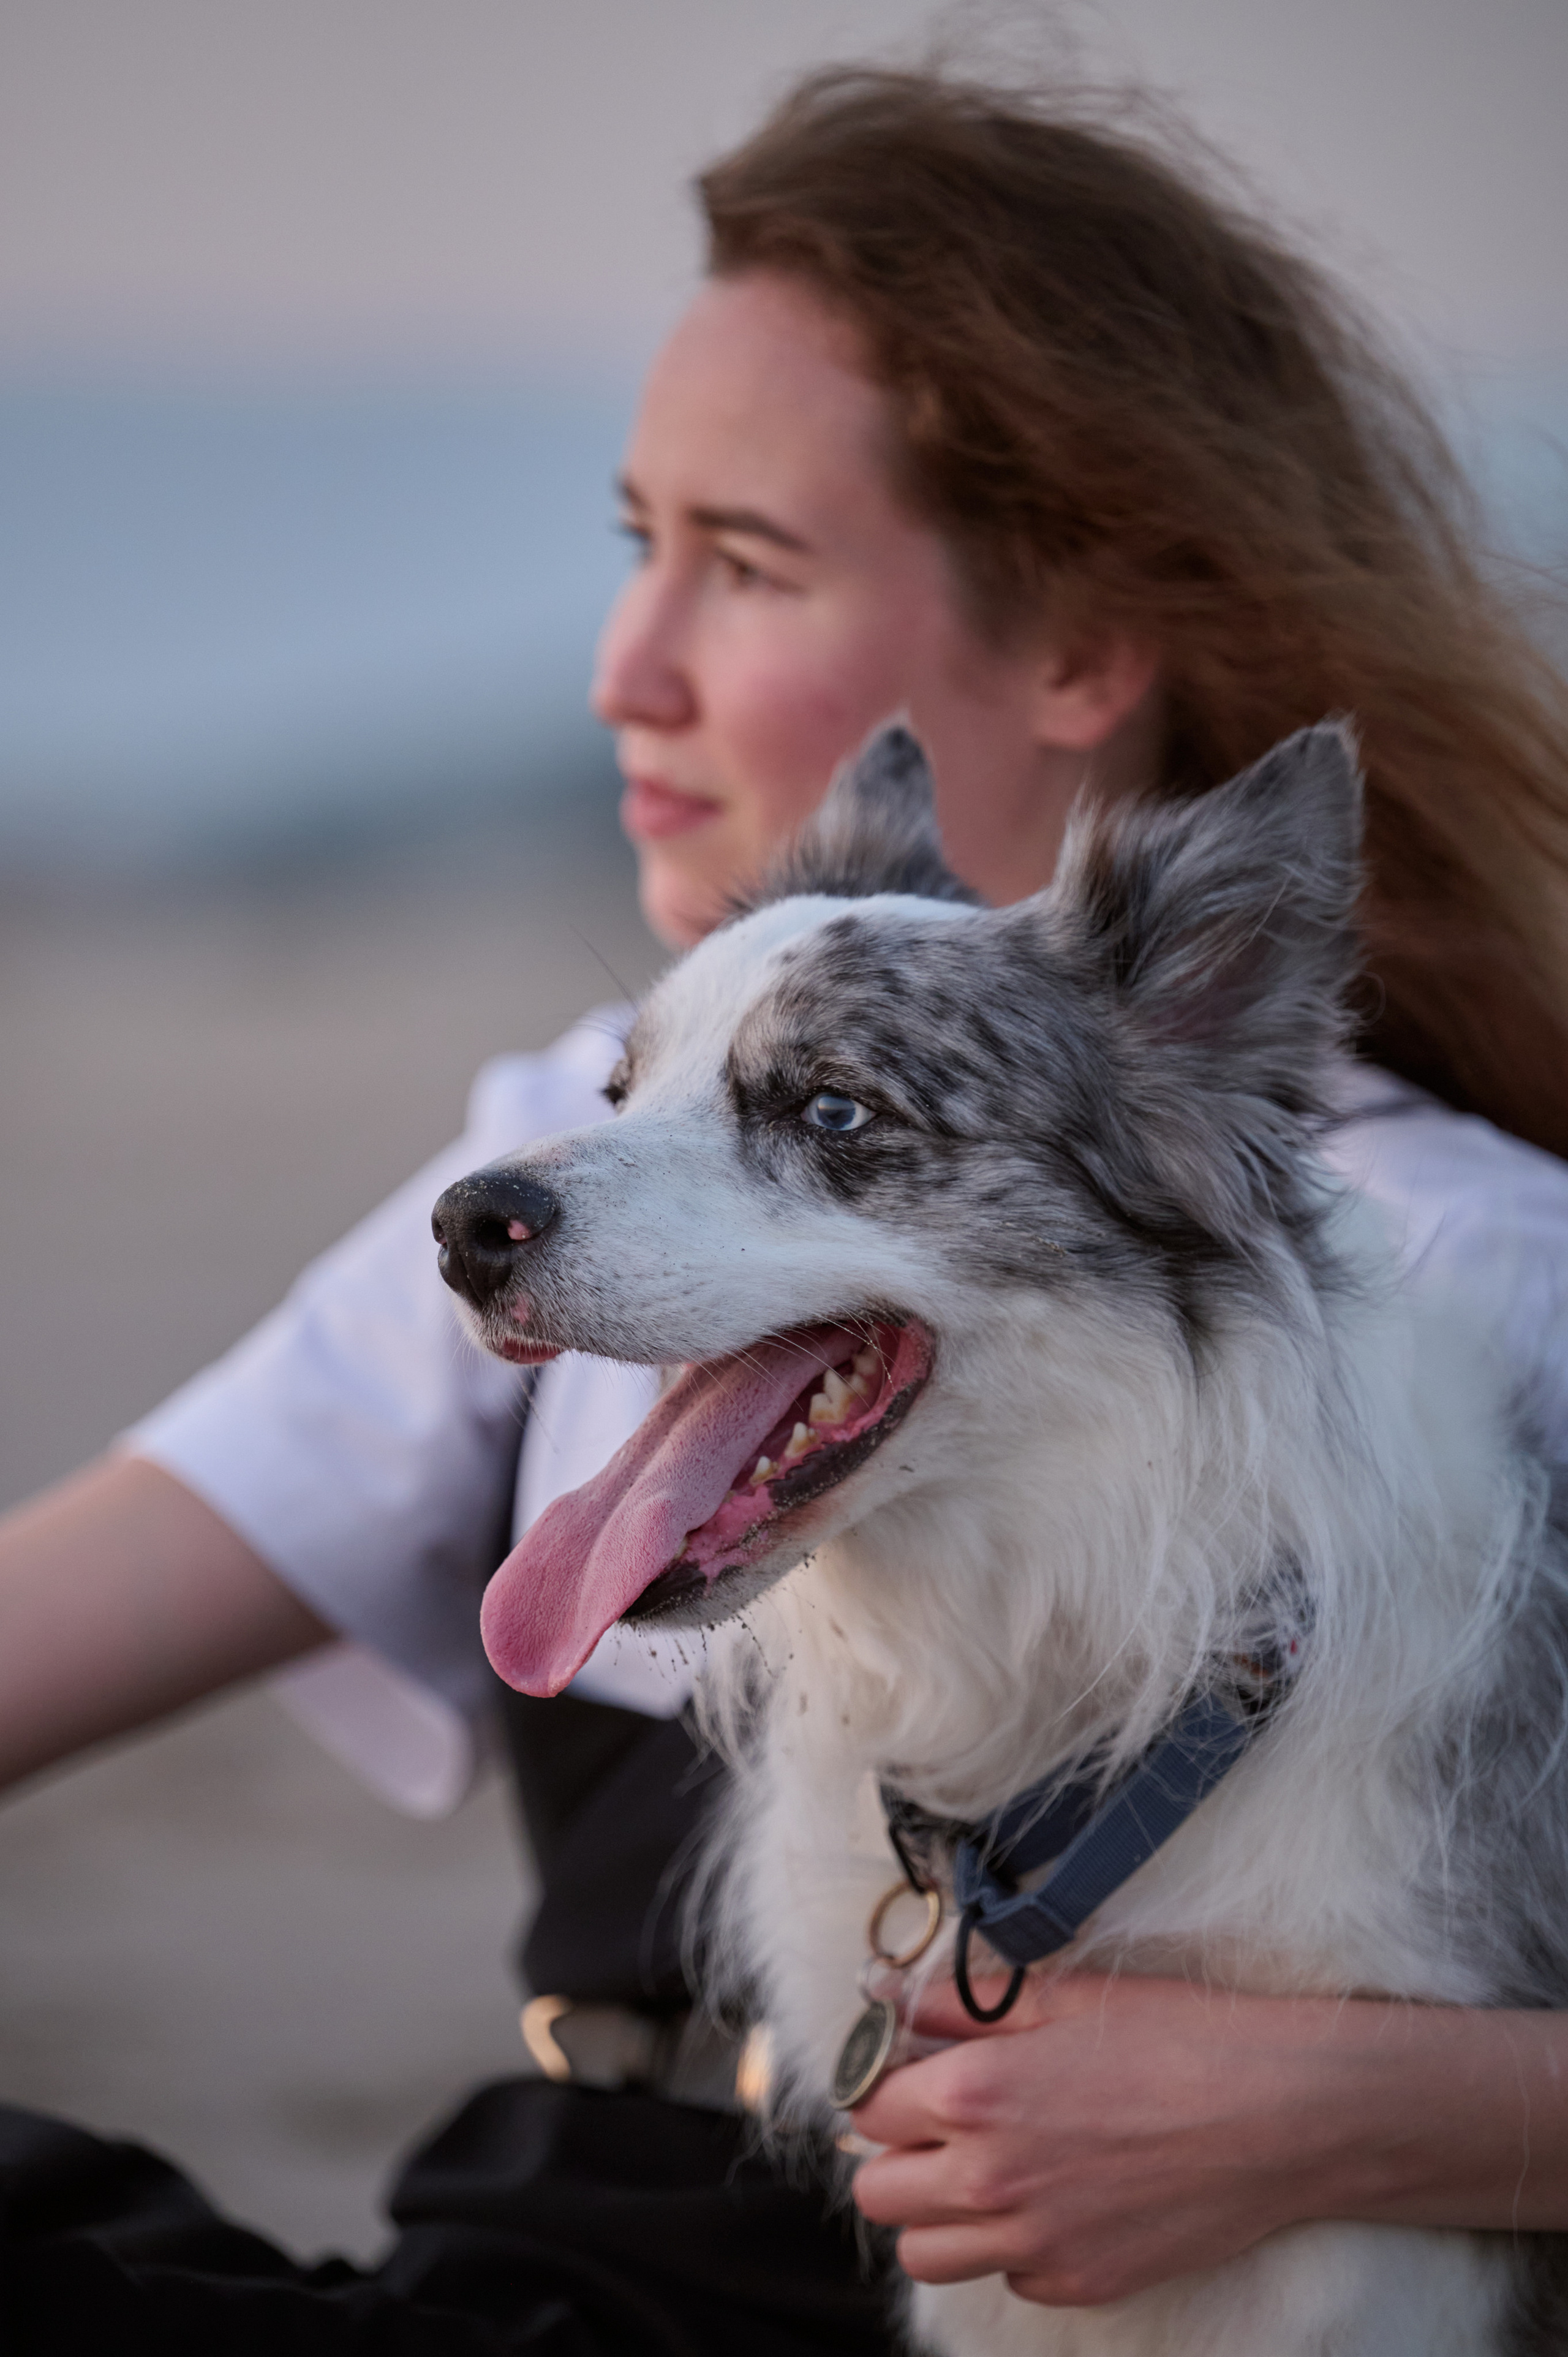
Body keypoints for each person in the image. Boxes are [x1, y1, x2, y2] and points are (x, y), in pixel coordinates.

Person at [4, 58, 1568, 2351]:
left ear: (1083, 639)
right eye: (631, 545)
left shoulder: (1457, 1280)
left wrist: (1379, 2112)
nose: (624, 669)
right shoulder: (569, 1142)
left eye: (743, 564)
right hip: (531, 2252)